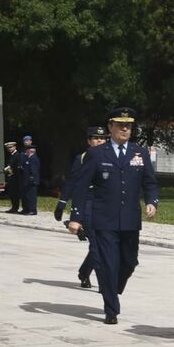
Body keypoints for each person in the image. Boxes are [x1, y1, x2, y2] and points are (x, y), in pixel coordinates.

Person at [67, 107, 159, 325]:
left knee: (129, 261)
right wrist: (75, 216)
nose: (125, 129)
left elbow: (150, 182)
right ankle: (111, 308)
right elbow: (80, 187)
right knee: (108, 263)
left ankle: (112, 287)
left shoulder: (139, 153)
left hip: (129, 219)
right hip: (103, 218)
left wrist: (152, 201)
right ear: (110, 127)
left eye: (128, 125)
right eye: (120, 125)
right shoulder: (97, 153)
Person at [55, 126, 109, 288]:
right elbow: (73, 182)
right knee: (96, 243)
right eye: (95, 138)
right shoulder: (83, 158)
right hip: (87, 203)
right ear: (88, 141)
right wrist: (62, 203)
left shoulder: (112, 156)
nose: (99, 141)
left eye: (102, 138)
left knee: (102, 244)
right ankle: (105, 283)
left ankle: (84, 271)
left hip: (106, 205)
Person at [20, 145, 40, 215]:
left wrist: (32, 179)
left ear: (30, 151)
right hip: (27, 181)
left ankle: (33, 210)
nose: (25, 152)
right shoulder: (29, 158)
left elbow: (34, 170)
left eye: (27, 150)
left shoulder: (33, 158)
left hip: (32, 181)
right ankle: (27, 209)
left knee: (32, 196)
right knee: (27, 196)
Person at [3, 141, 22, 213]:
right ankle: (13, 207)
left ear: (15, 147)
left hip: (15, 177)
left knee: (15, 193)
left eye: (11, 147)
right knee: (12, 193)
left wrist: (6, 170)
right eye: (8, 148)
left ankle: (15, 208)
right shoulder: (11, 155)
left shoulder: (17, 155)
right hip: (11, 177)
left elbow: (14, 167)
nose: (9, 149)